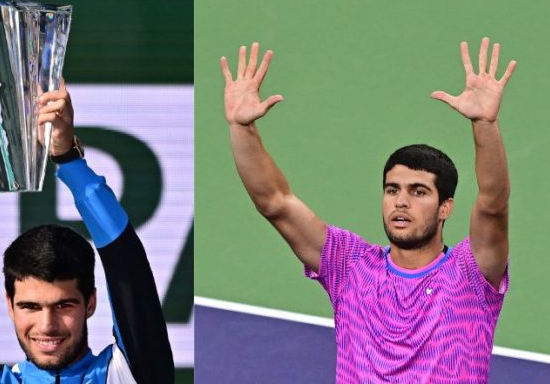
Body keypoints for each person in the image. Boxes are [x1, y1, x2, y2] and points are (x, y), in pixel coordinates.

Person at [220, 38, 515, 382]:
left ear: (445, 207)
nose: (401, 201)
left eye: (418, 192)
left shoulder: (471, 275)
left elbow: (493, 205)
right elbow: (275, 203)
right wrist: (242, 128)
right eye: (393, 190)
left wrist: (485, 125)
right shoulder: (350, 266)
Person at [0, 85, 174, 383]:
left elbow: (127, 263)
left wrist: (68, 159)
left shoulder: (128, 374)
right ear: (9, 305)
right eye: (30, 306)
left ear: (90, 303)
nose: (47, 326)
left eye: (64, 305)